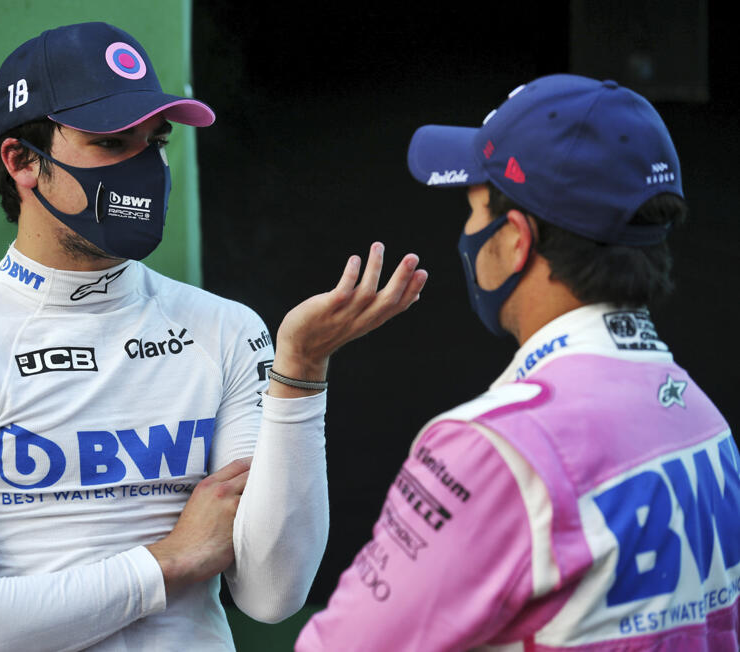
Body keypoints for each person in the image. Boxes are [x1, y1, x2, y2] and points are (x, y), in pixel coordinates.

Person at [0, 21, 428, 652]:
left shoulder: (226, 331)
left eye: (153, 141)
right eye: (110, 142)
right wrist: (166, 563)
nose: (142, 166)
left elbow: (272, 594)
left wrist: (301, 368)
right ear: (22, 160)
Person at [296, 74, 739, 650]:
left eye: (474, 209)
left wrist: (298, 368)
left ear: (515, 240)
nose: (466, 231)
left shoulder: (494, 448)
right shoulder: (705, 423)